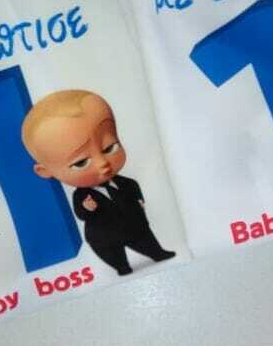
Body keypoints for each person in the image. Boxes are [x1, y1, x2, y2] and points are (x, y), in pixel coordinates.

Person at [22, 90, 175, 275]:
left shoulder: (125, 183)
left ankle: (157, 253)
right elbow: (81, 213)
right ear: (45, 171)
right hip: (105, 237)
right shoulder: (82, 196)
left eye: (109, 148)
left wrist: (139, 200)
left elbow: (133, 187)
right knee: (114, 256)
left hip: (135, 226)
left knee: (147, 241)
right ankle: (121, 266)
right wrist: (88, 208)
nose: (103, 163)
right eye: (81, 162)